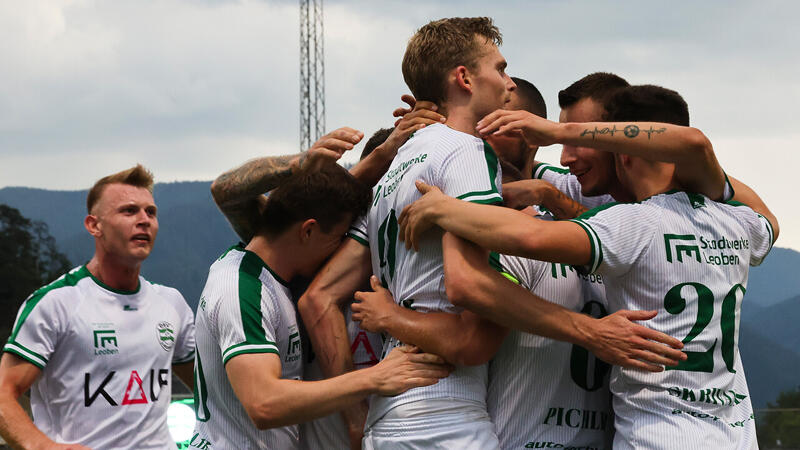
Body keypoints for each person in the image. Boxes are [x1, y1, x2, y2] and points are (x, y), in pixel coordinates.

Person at [398, 84, 779, 448]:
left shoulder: (635, 222)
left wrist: (447, 207)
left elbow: (530, 238)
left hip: (657, 434)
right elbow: (763, 215)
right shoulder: (740, 224)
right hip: (737, 436)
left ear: (623, 154)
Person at [191, 129, 451, 449]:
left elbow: (315, 200)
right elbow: (264, 403)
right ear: (309, 231)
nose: (340, 249)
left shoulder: (273, 275)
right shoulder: (243, 288)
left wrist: (381, 159)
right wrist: (374, 378)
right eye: (339, 236)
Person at [0, 165, 196, 449]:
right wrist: (44, 447)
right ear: (94, 225)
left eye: (150, 212)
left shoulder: (171, 303)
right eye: (129, 211)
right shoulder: (57, 302)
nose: (144, 220)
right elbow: (4, 392)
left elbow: (208, 392)